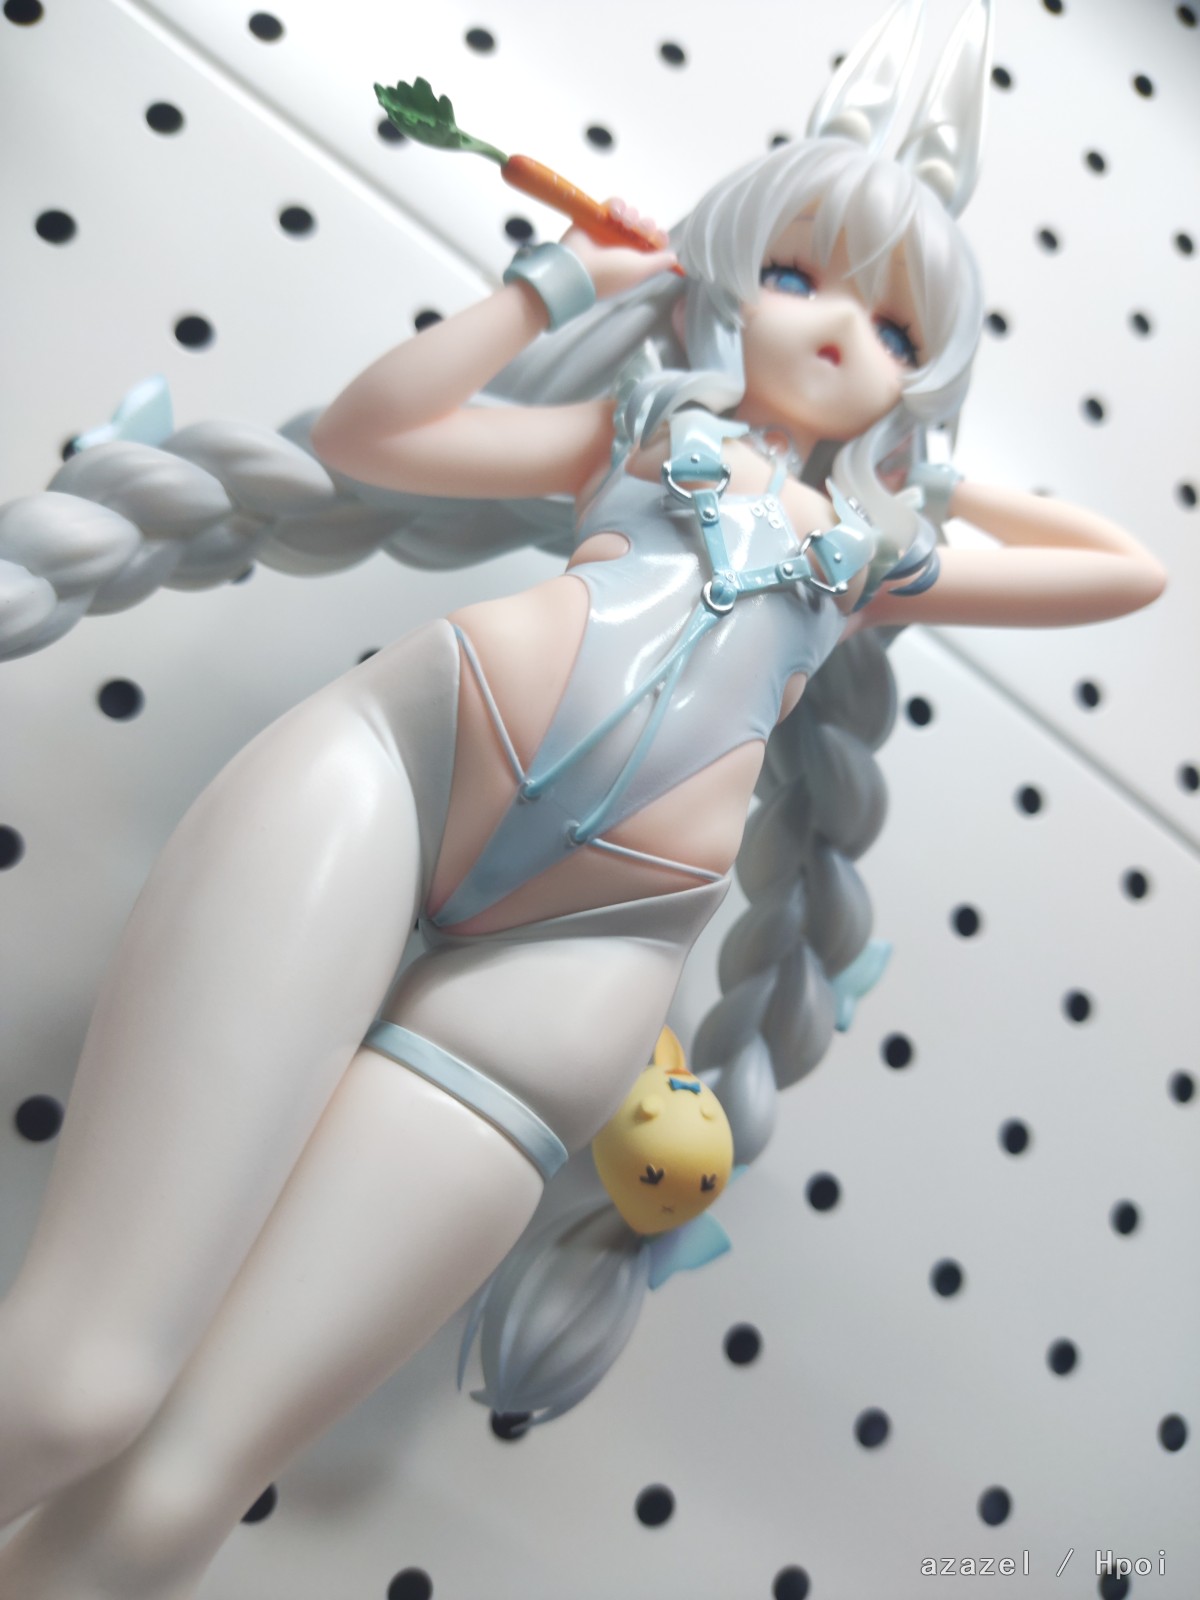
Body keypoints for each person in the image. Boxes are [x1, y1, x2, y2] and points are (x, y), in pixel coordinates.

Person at [0, 1, 1166, 1592]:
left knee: (181, 1488)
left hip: (595, 950)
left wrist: (937, 467)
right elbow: (379, 432)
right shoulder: (638, 426)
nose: (844, 335)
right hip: (406, 769)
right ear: (725, 276)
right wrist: (554, 286)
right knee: (72, 1386)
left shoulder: (875, 555)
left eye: (900, 333)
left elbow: (1126, 568)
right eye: (800, 276)